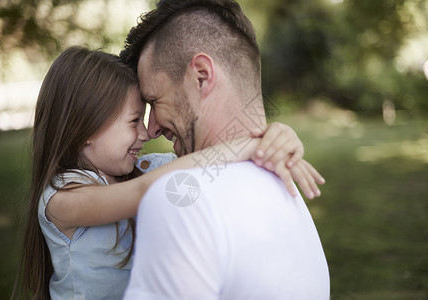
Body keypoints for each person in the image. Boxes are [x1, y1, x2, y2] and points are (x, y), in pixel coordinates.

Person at [14, 47, 323, 299]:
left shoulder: (144, 169)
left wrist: (278, 135)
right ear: (86, 130)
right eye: (134, 121)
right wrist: (243, 147)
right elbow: (145, 191)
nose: (147, 133)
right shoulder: (61, 200)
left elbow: (202, 165)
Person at [121, 0, 330, 299]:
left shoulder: (181, 200)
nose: (151, 128)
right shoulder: (285, 187)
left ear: (202, 76)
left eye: (154, 102)